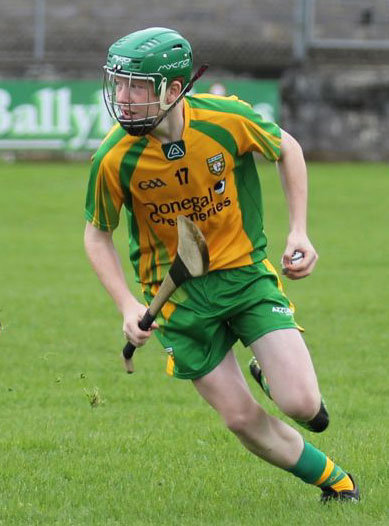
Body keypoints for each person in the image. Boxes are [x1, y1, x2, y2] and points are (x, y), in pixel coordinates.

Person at [84, 27, 359, 502]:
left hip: (245, 278)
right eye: (119, 84)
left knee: (302, 403)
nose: (123, 99)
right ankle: (334, 481)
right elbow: (97, 234)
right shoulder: (114, 158)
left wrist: (299, 230)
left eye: (137, 86)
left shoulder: (225, 119)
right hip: (179, 303)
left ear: (173, 90)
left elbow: (287, 148)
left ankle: (267, 371)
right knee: (239, 418)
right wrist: (127, 304)